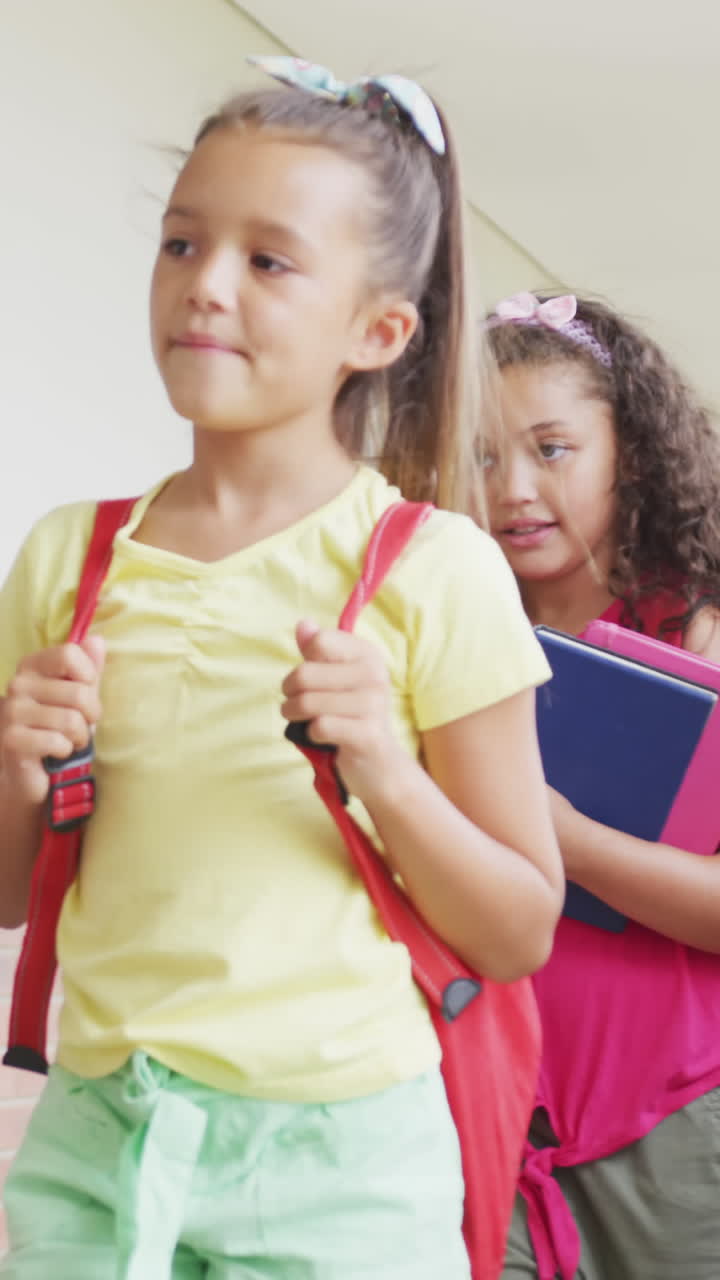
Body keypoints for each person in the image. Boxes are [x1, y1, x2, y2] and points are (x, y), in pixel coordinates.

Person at [0, 64, 562, 1279]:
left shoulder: (437, 567)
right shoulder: (68, 556)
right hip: (99, 1137)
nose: (203, 284)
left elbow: (520, 927)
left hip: (344, 1170)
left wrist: (387, 773)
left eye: (268, 260)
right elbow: (4, 895)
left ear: (379, 330)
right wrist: (20, 768)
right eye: (181, 242)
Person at [485, 290, 720, 1280]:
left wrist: (567, 838)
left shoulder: (699, 631)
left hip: (675, 1118)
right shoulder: (439, 630)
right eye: (483, 454)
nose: (514, 488)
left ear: (632, 449)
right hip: (484, 1105)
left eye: (552, 447)